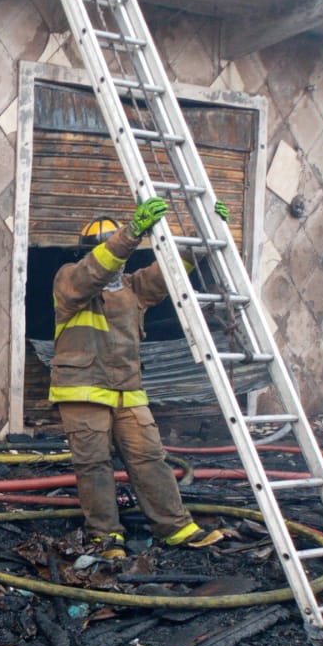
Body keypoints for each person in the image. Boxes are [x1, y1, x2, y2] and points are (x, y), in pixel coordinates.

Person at [51, 195, 228, 559]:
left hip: (128, 392)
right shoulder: (70, 281)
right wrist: (131, 233)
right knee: (94, 466)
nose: (114, 257)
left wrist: (206, 232)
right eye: (107, 249)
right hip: (83, 392)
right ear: (88, 252)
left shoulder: (132, 288)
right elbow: (93, 273)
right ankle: (104, 535)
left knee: (150, 458)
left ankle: (175, 527)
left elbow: (172, 271)